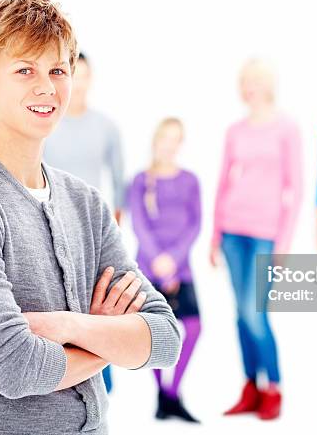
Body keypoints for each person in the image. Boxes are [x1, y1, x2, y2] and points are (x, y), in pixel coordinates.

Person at [0, 0, 180, 435]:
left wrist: (66, 327)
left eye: (58, 69)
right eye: (24, 70)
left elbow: (166, 338)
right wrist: (110, 338)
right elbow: (15, 367)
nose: (47, 86)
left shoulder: (86, 203)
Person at [210, 59, 302, 420]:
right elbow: (223, 181)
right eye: (244, 81)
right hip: (233, 231)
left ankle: (274, 387)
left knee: (255, 312)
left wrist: (284, 243)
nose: (248, 88)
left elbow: (296, 187)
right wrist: (215, 234)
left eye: (254, 81)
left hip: (266, 235)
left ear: (268, 84)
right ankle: (250, 387)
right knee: (239, 314)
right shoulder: (235, 130)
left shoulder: (286, 128)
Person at [43, 51, 126, 391]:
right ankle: (61, 381)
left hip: (93, 234)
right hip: (49, 228)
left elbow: (120, 183)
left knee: (98, 310)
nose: (78, 83)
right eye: (71, 75)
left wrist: (113, 232)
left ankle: (101, 386)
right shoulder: (46, 122)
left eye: (84, 75)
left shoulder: (106, 127)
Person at [128, 117, 202, 423]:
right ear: (156, 141)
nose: (169, 146)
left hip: (180, 269)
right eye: (165, 139)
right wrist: (158, 260)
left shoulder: (190, 180)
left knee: (194, 327)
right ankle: (162, 394)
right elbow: (139, 224)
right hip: (148, 268)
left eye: (176, 140)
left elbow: (195, 224)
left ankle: (172, 394)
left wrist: (172, 260)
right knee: (156, 332)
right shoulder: (140, 181)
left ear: (180, 144)